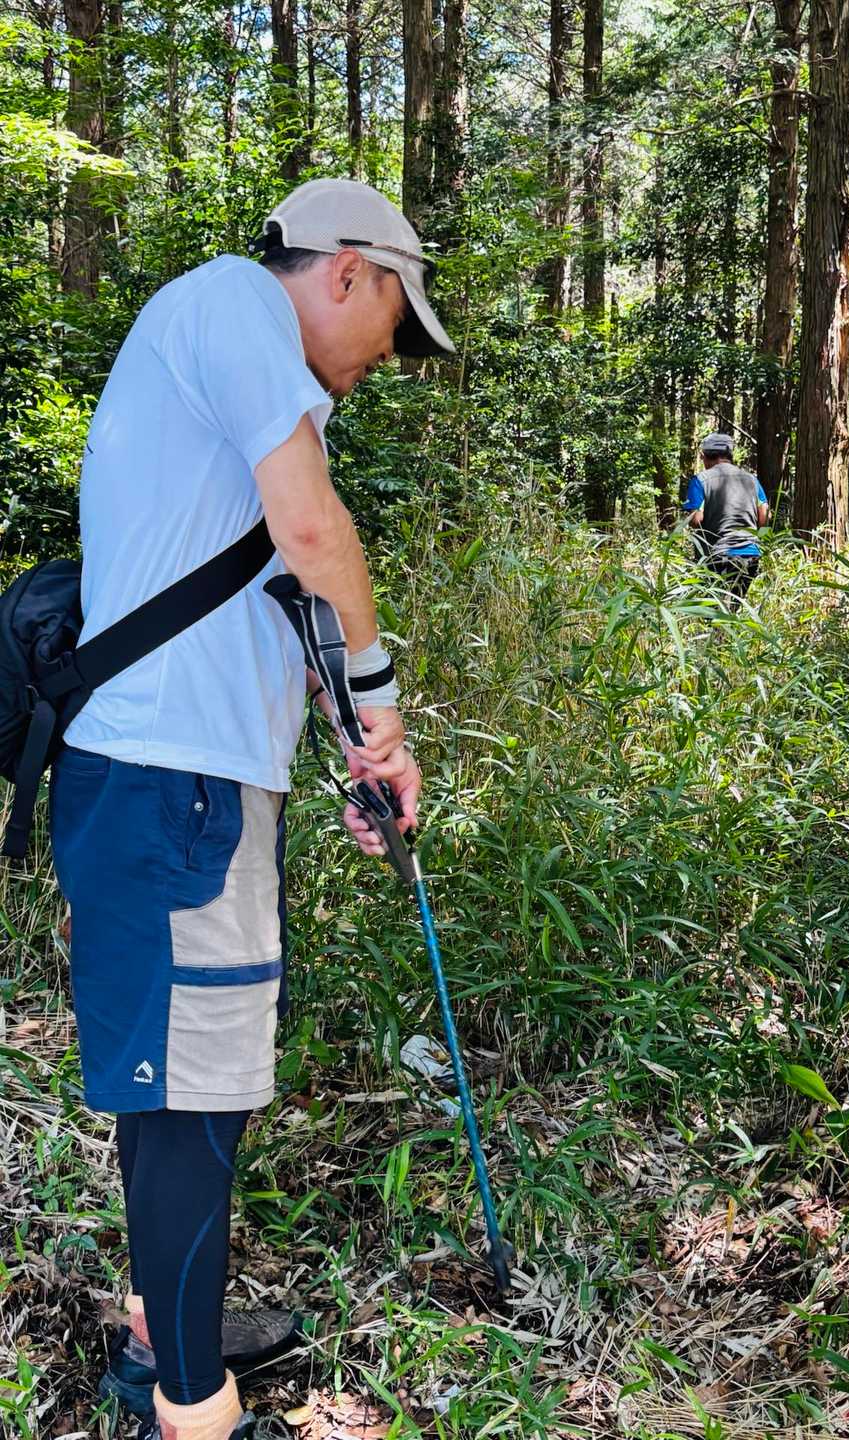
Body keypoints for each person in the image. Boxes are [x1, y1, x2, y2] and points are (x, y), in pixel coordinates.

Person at [50, 179, 454, 1440]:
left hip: (179, 784)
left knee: (180, 1086)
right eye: (396, 320)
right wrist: (384, 697)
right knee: (193, 1101)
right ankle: (192, 1409)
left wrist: (359, 748)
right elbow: (315, 539)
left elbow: (277, 599)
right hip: (173, 790)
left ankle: (158, 1327)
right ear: (348, 269)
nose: (387, 357)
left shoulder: (233, 376)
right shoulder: (234, 303)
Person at [683, 432, 769, 610]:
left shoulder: (700, 480)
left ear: (705, 456)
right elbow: (764, 518)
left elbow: (697, 520)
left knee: (712, 611)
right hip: (750, 553)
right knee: (734, 609)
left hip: (717, 554)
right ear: (729, 455)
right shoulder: (752, 480)